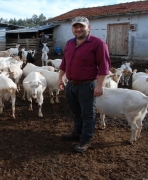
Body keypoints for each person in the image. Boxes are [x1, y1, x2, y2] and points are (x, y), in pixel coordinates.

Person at [57, 16, 111, 153]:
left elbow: (104, 67)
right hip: (71, 85)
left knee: (88, 114)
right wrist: (60, 78)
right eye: (75, 26)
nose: (78, 29)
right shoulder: (69, 43)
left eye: (81, 26)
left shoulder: (98, 43)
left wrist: (99, 85)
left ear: (88, 27)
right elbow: (64, 63)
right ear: (72, 29)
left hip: (87, 85)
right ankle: (77, 133)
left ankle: (86, 139)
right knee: (76, 112)